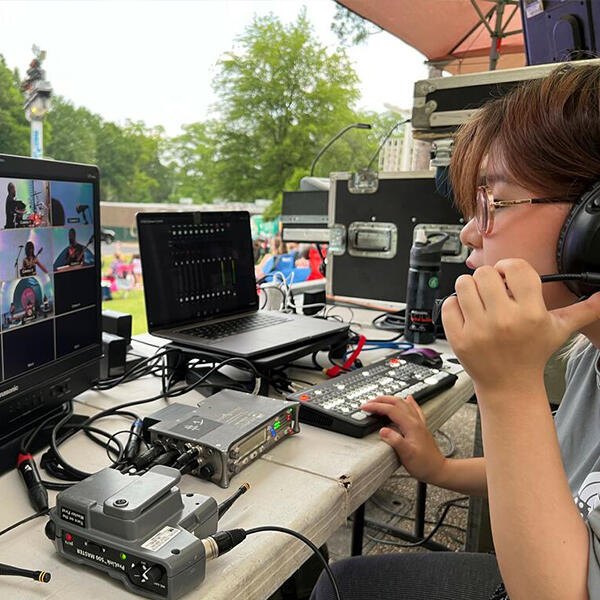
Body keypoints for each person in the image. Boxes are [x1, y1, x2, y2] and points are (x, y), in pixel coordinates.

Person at [311, 64, 600, 600]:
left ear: (594, 225)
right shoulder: (591, 357)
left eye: (492, 199)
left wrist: (507, 385)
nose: (469, 229)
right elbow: (551, 474)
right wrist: (440, 468)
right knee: (342, 584)